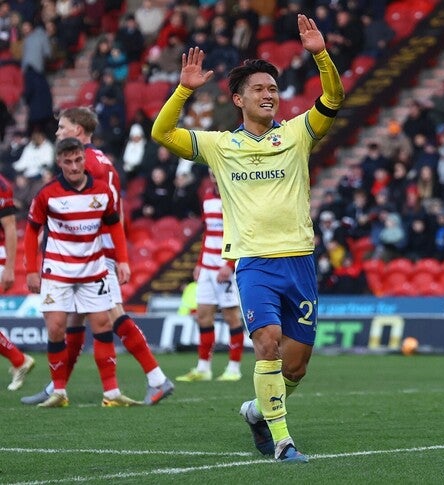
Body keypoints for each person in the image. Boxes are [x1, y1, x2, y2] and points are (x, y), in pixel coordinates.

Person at [152, 14, 344, 463]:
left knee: (296, 366)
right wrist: (183, 90)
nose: (268, 95)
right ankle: (283, 442)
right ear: (238, 99)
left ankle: (258, 412)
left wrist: (320, 54)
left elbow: (334, 97)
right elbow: (162, 132)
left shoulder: (298, 133)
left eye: (273, 88)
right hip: (254, 262)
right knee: (268, 341)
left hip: (299, 261)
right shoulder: (220, 146)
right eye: (258, 89)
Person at [21, 108, 174, 407]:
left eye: (63, 127)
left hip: (95, 249)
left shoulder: (84, 162)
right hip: (96, 247)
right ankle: (56, 387)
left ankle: (156, 378)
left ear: (78, 130)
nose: (58, 132)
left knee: (112, 315)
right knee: (75, 322)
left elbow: (97, 210)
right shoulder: (102, 159)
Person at [24, 137, 141, 408]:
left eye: (78, 160)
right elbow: (31, 231)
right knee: (56, 328)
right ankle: (59, 392)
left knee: (103, 324)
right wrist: (30, 270)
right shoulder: (47, 193)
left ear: (84, 159)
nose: (75, 167)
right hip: (58, 270)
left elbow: (114, 225)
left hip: (93, 269)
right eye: (68, 162)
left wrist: (122, 261)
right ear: (59, 162)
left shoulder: (102, 191)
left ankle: (111, 393)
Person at [176, 174, 245, 383]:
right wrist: (200, 263)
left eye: (217, 173)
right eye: (212, 174)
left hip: (225, 267)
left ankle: (234, 368)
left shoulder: (234, 196)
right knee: (203, 316)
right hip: (207, 266)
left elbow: (240, 234)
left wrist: (230, 264)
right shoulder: (207, 196)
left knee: (231, 317)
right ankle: (203, 368)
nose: (215, 178)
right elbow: (208, 232)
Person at [0, 174, 35, 391]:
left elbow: (10, 226)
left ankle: (19, 360)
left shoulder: (1, 185)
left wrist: (9, 268)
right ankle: (19, 360)